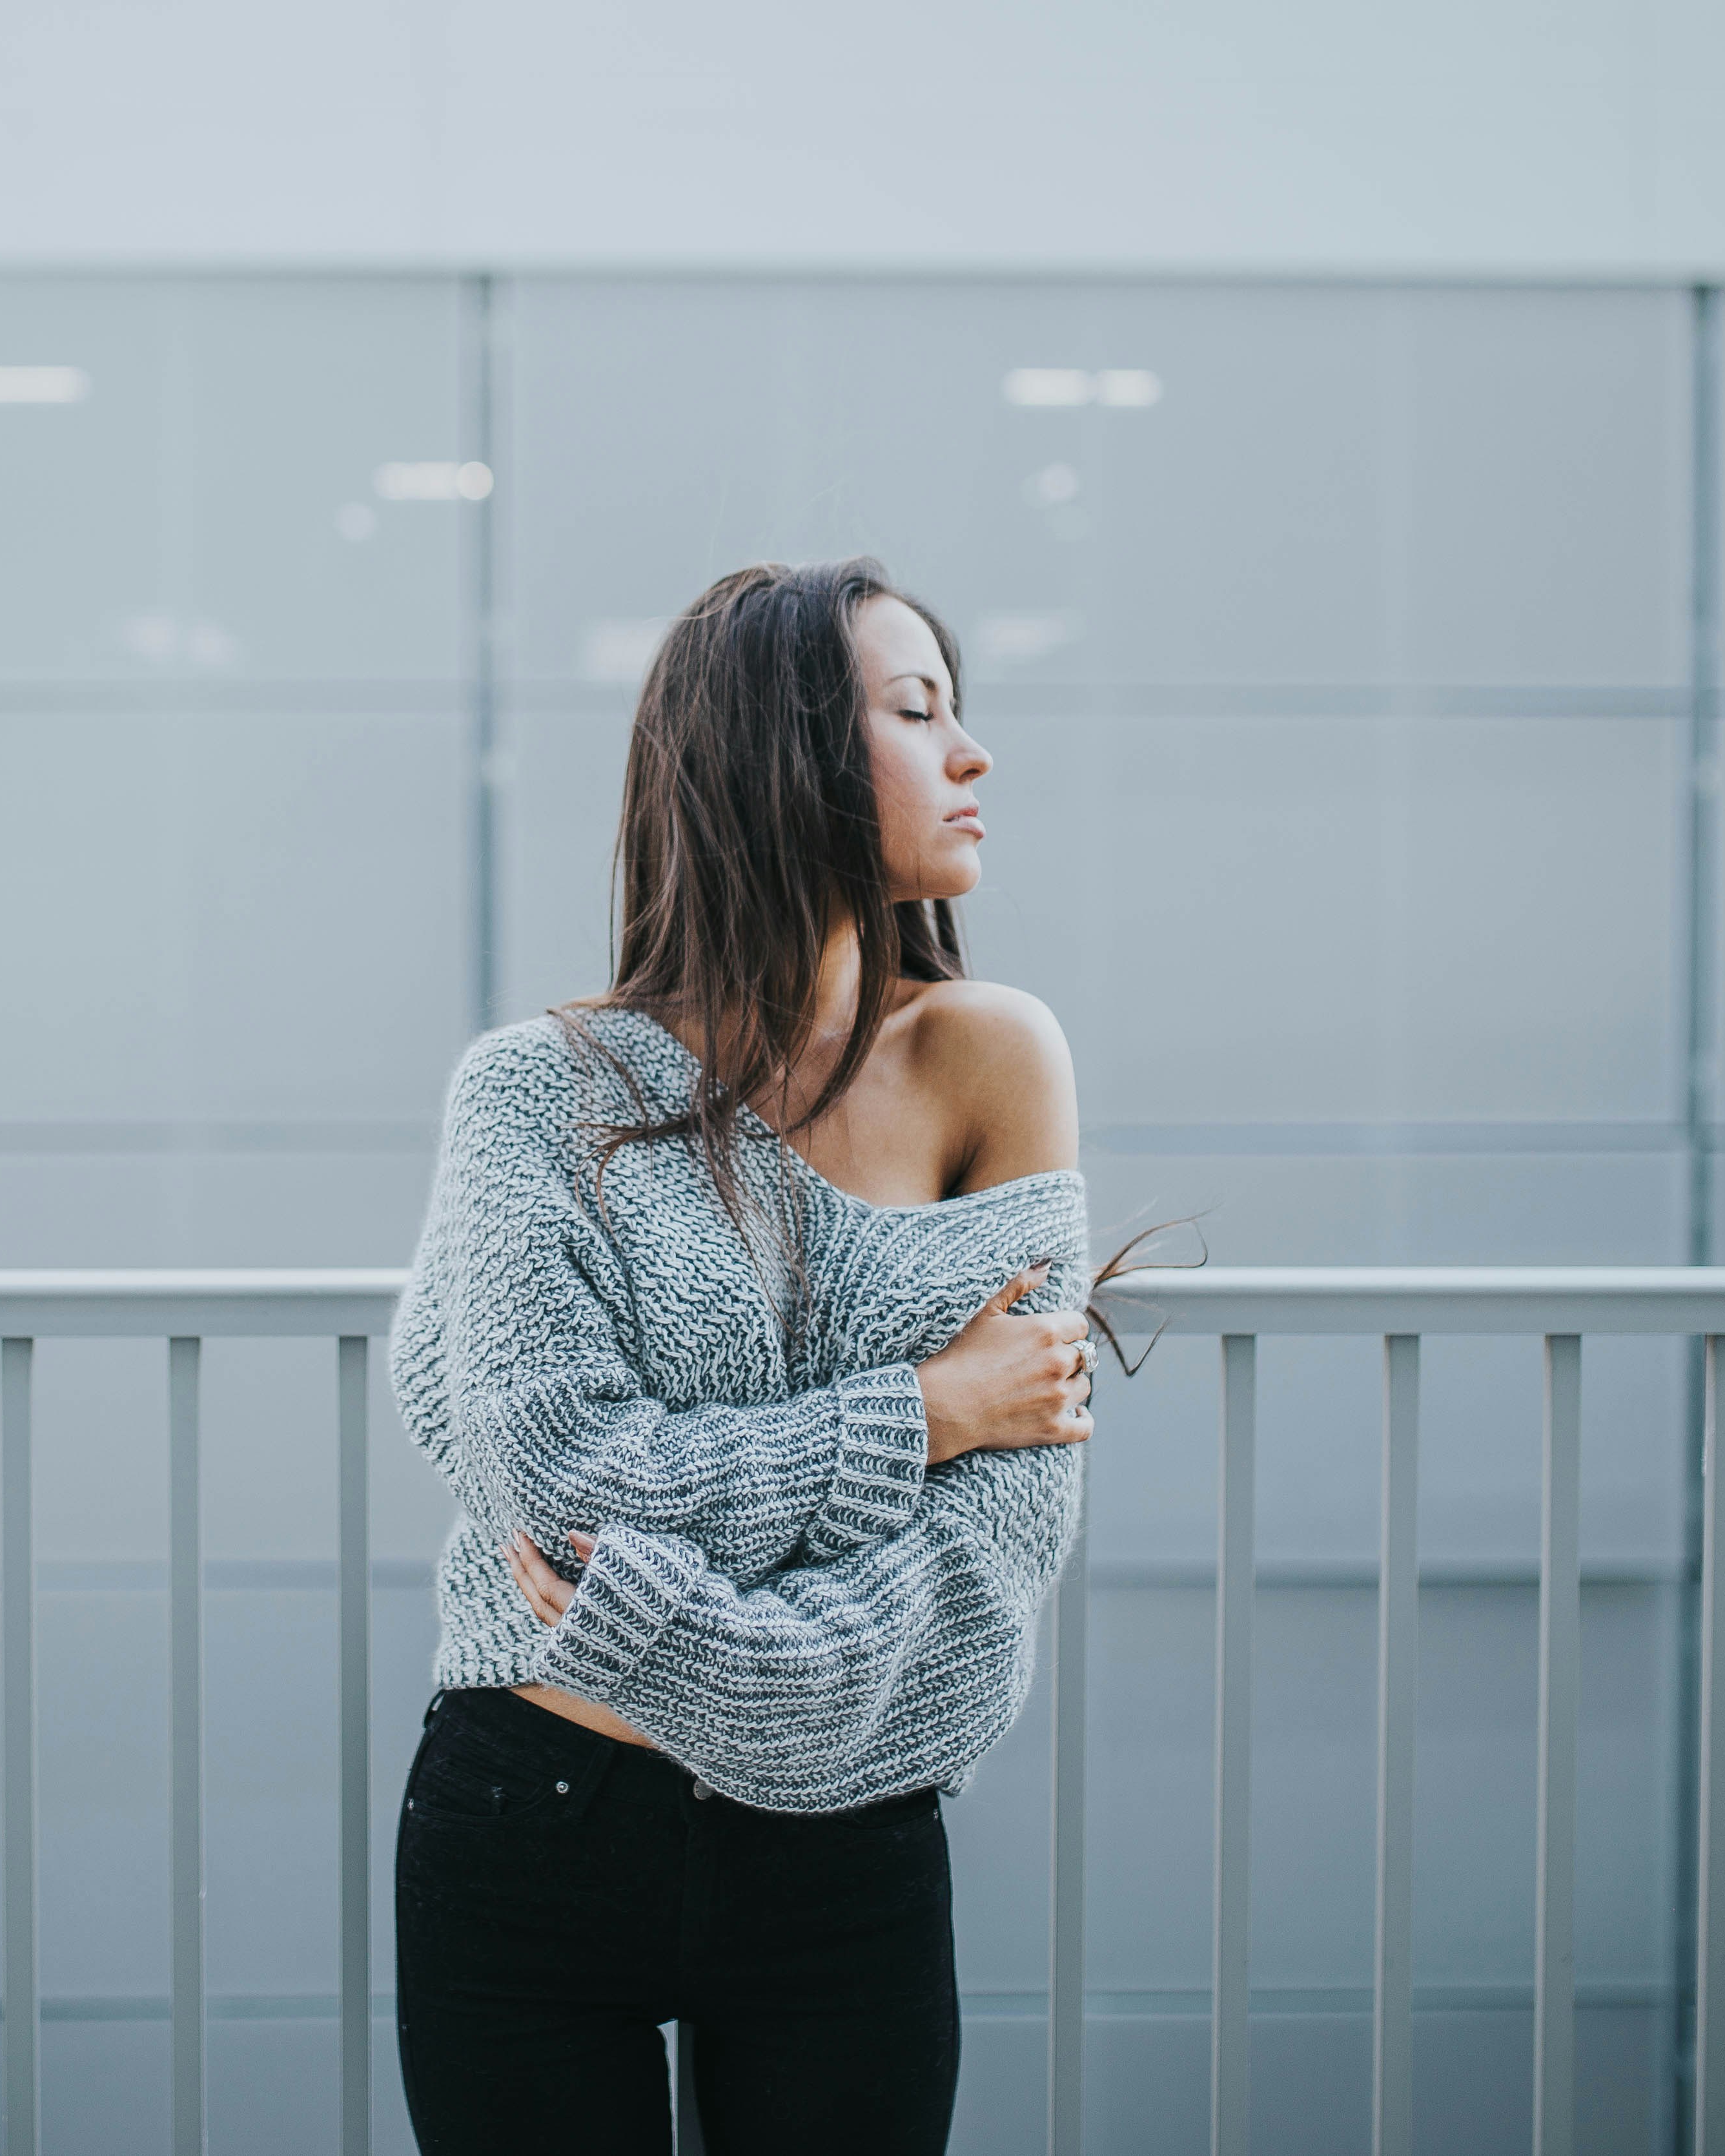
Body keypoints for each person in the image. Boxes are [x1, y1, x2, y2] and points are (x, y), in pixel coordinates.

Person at [387, 557, 1100, 2153]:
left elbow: (988, 1579)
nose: (971, 753)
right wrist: (919, 1409)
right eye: (917, 712)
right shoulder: (534, 1092)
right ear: (776, 754)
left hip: (843, 1854)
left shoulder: (996, 1057)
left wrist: (653, 1620)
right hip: (532, 1827)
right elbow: (568, 1483)